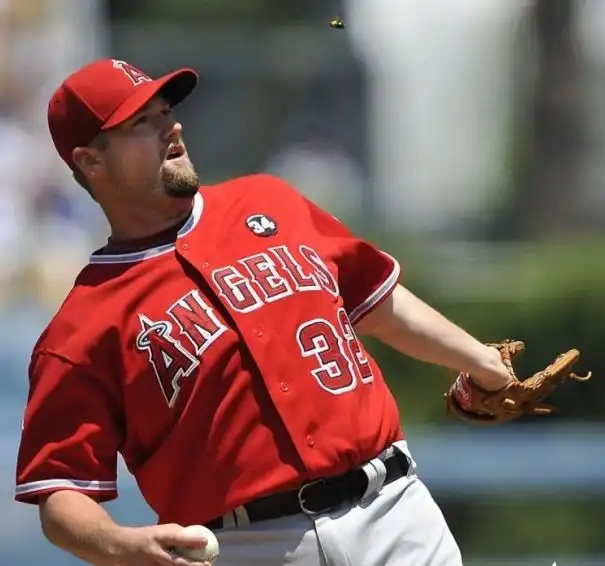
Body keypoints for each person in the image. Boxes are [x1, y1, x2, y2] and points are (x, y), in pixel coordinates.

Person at [15, 59, 514, 566]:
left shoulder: (270, 201)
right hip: (250, 546)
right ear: (91, 161)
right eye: (141, 122)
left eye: (166, 111)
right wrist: (121, 545)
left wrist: (480, 359)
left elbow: (375, 300)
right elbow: (61, 490)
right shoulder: (82, 327)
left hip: (393, 510)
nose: (172, 127)